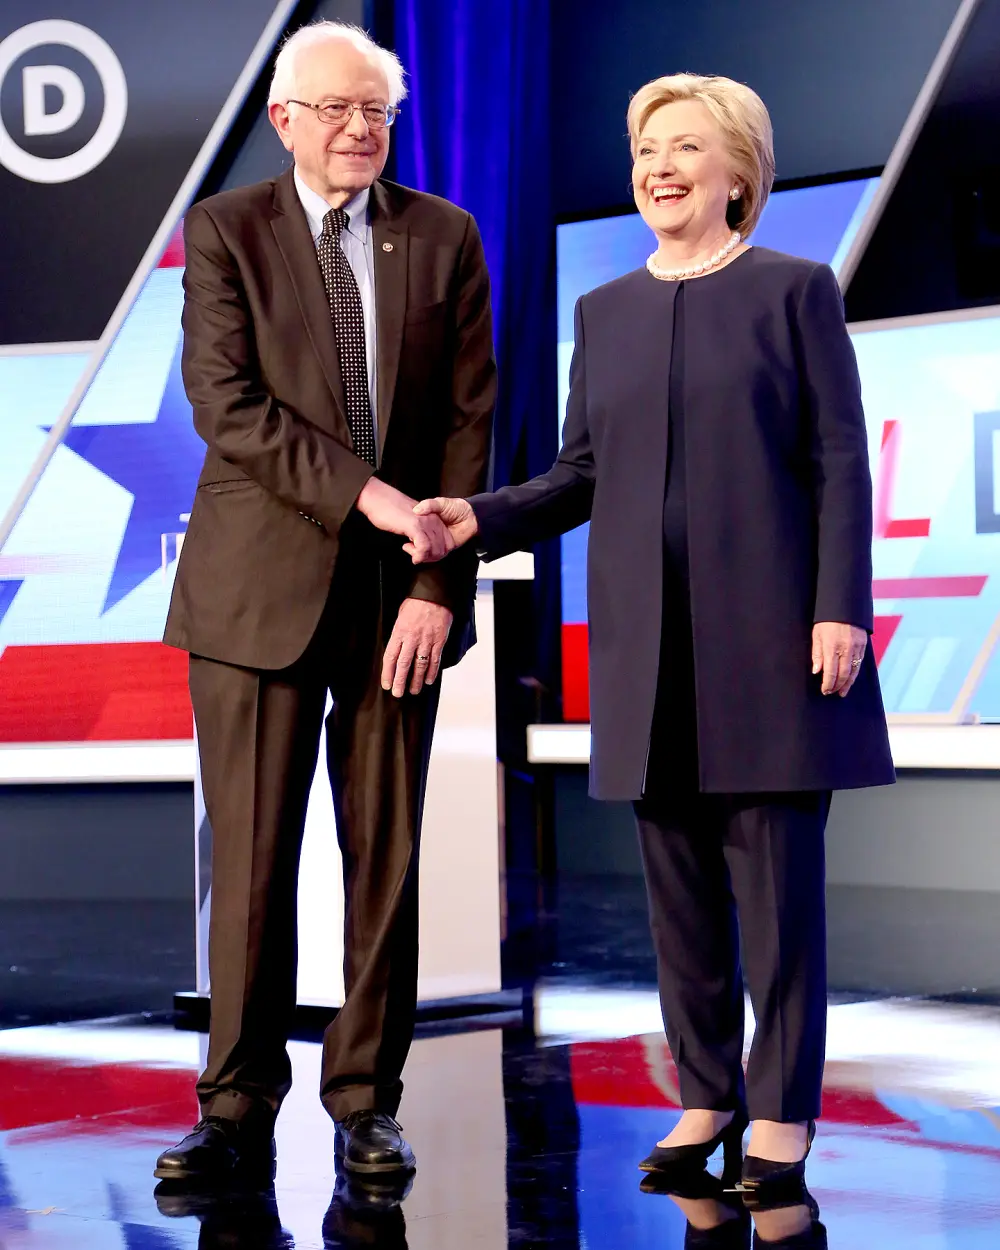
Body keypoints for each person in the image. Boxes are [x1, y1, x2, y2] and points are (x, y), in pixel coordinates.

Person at [414, 73, 894, 1192]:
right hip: (650, 649)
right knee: (676, 897)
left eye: (684, 147)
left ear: (738, 172)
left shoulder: (795, 291)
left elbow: (838, 461)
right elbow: (580, 472)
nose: (658, 167)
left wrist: (838, 606)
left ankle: (780, 1114)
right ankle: (705, 1094)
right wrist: (472, 518)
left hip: (773, 644)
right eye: (645, 149)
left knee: (776, 901)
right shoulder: (605, 311)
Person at [155, 20, 495, 1183]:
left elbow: (466, 424)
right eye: (340, 110)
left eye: (380, 112)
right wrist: (376, 500)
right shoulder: (225, 232)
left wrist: (437, 579)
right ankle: (236, 1103)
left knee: (384, 860)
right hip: (257, 593)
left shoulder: (441, 236)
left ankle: (365, 1099)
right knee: (249, 861)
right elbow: (229, 407)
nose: (363, 130)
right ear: (286, 119)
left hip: (399, 598)